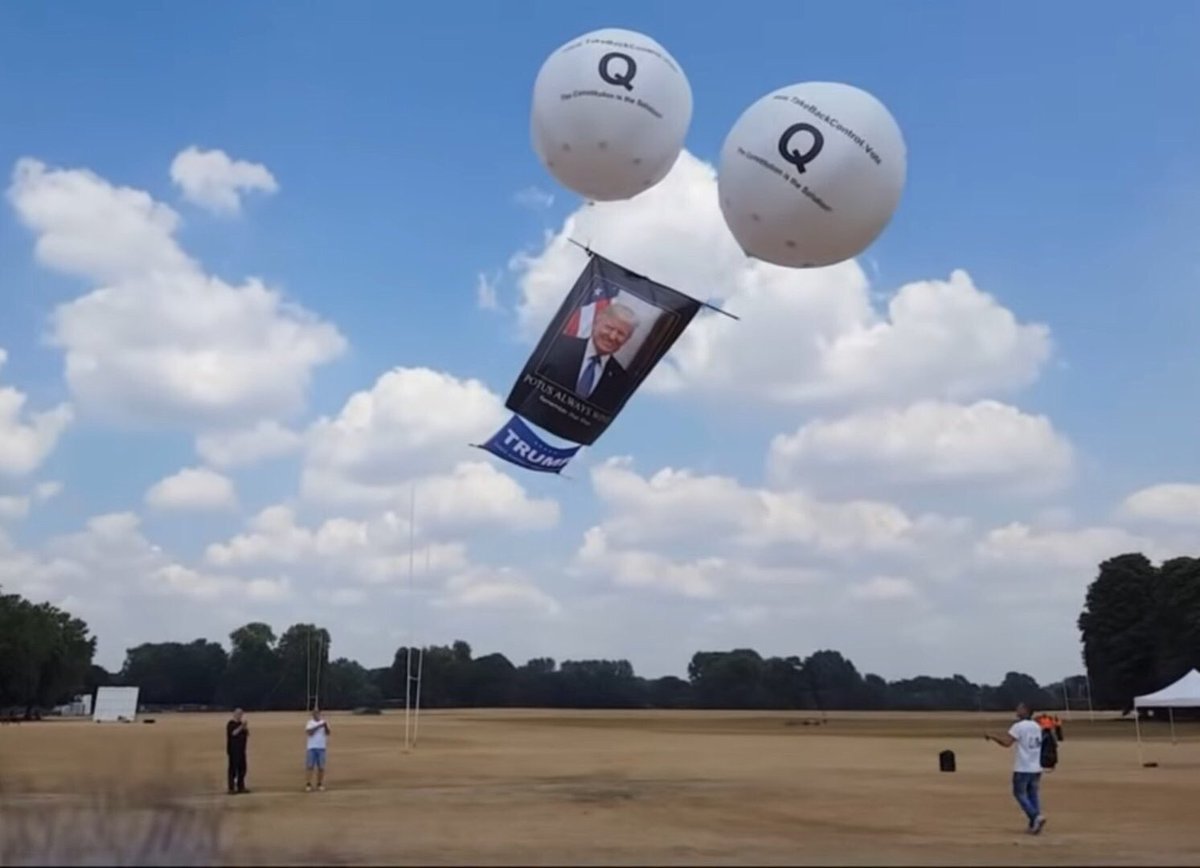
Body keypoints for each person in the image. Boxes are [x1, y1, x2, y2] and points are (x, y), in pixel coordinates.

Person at [537, 303, 638, 411]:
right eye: (609, 328)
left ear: (627, 339)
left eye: (621, 333)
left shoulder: (621, 380)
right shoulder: (558, 346)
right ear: (596, 323)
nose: (612, 337)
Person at [986, 702, 1046, 834]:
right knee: (1033, 795)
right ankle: (1034, 824)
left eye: (1020, 708)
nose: (1017, 710)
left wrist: (993, 736)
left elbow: (1007, 743)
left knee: (1019, 794)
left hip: (1023, 767)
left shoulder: (1018, 726)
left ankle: (1035, 816)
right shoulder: (1036, 726)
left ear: (1026, 711)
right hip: (1036, 767)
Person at [304, 707, 331, 792]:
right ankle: (308, 784)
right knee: (310, 766)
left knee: (321, 767)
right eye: (315, 713)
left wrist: (325, 726)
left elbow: (328, 733)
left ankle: (319, 783)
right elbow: (309, 733)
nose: (316, 715)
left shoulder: (324, 722)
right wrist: (319, 726)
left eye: (317, 713)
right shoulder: (310, 723)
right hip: (311, 747)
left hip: (321, 748)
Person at [225, 708, 249, 794]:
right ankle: (231, 788)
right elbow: (234, 733)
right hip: (233, 751)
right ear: (234, 714)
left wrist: (245, 728)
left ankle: (241, 786)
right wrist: (241, 727)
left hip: (242, 750)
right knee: (233, 769)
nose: (240, 716)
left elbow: (247, 734)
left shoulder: (240, 724)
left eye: (241, 714)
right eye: (238, 714)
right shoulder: (231, 724)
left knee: (242, 769)